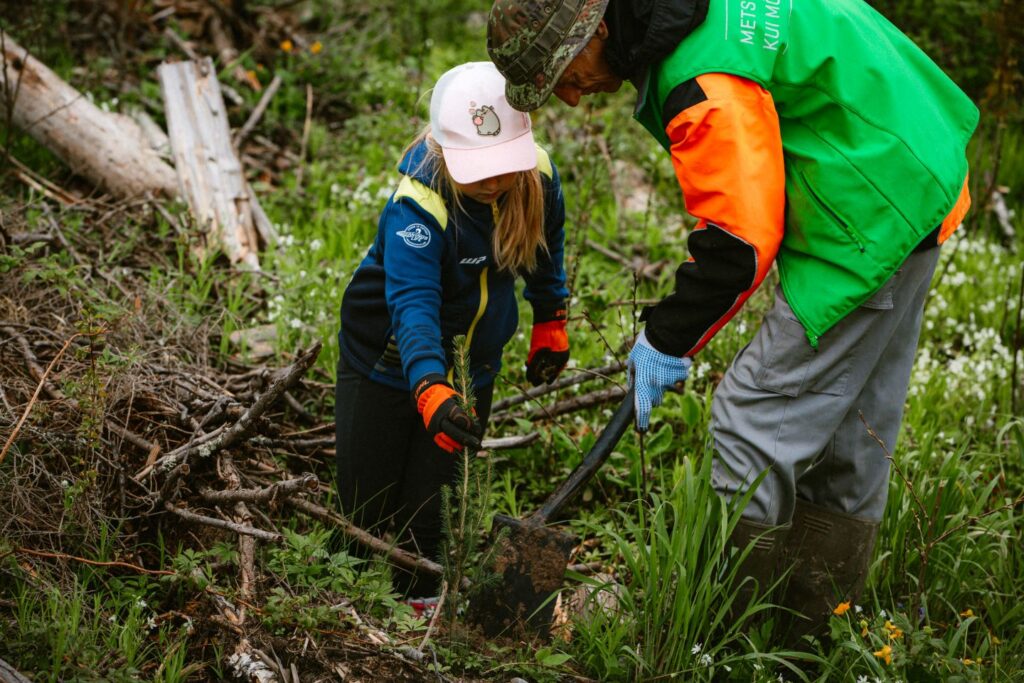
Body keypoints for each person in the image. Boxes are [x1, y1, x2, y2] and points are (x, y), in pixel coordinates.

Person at [487, 0, 978, 637]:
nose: (574, 99)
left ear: (598, 28)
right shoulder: (690, 13)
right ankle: (809, 630)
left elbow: (739, 240)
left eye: (563, 75)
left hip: (873, 202)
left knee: (754, 412)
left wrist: (665, 339)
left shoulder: (701, 78)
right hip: (912, 154)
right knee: (852, 421)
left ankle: (716, 630)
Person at [334, 61, 571, 600]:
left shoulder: (537, 177)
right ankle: (343, 601)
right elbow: (413, 304)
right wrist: (428, 387)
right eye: (478, 168)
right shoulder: (419, 205)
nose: (492, 181)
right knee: (364, 506)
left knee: (433, 503)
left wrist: (550, 318)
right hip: (388, 358)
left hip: (473, 362)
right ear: (444, 151)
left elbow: (547, 250)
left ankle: (419, 599)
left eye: (502, 165)